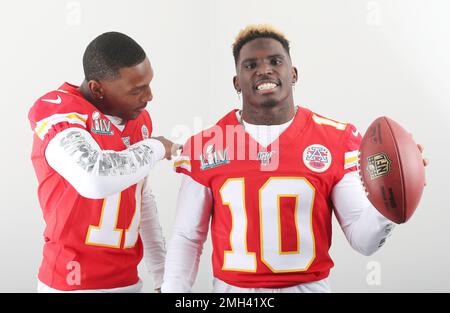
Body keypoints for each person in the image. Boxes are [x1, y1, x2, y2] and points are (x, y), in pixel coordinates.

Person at [161, 24, 426, 293]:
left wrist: (390, 199)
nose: (264, 70)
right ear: (237, 82)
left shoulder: (335, 139)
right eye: (251, 65)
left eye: (275, 61)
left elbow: (363, 241)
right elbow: (187, 236)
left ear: (294, 73)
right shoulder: (206, 145)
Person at [28, 32, 179, 292]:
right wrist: (156, 146)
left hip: (127, 282)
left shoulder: (138, 119)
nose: (150, 96)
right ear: (98, 88)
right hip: (71, 284)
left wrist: (163, 275)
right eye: (137, 90)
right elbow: (94, 178)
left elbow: (140, 199)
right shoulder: (60, 109)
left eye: (148, 84)